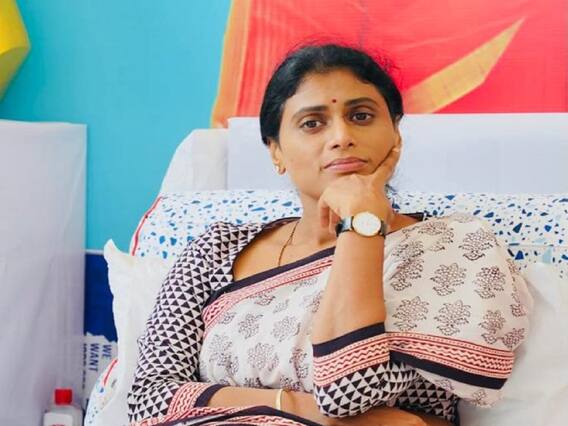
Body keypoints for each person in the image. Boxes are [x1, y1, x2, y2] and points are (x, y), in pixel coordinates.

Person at [127, 44, 531, 426]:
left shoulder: (454, 247)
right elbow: (150, 399)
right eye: (312, 123)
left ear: (396, 133)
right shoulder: (217, 250)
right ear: (276, 151)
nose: (341, 137)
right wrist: (304, 409)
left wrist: (361, 222)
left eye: (361, 116)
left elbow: (348, 392)